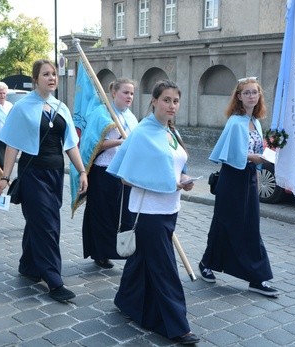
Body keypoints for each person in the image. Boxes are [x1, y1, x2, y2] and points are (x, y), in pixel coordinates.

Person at [107, 80, 200, 345]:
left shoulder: (171, 132)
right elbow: (124, 176)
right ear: (154, 101)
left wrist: (184, 177)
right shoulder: (142, 133)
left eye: (176, 101)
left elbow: (175, 167)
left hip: (170, 208)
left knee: (142, 262)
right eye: (166, 100)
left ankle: (126, 300)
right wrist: (166, 183)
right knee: (165, 268)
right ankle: (177, 325)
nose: (172, 105)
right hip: (148, 212)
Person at [0, 59, 88, 303]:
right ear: (35, 79)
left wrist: (82, 171)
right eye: (46, 74)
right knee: (47, 225)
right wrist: (5, 176)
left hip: (55, 174)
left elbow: (71, 144)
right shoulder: (23, 107)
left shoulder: (61, 107)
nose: (52, 78)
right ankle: (54, 281)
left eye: (54, 74)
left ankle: (28, 266)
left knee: (40, 222)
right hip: (32, 173)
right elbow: (13, 144)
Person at [198, 77, 279, 298]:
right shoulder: (235, 122)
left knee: (250, 226)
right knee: (224, 223)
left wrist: (266, 155)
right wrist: (254, 157)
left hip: (249, 178)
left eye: (255, 92)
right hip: (232, 179)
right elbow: (232, 155)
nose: (252, 96)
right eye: (247, 93)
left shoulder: (257, 121)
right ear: (239, 97)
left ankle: (256, 277)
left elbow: (253, 150)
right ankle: (207, 263)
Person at [82, 78, 139, 269]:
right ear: (113, 93)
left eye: (132, 93)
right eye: (125, 92)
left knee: (123, 214)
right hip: (103, 171)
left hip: (125, 172)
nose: (129, 96)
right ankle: (101, 253)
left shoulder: (131, 117)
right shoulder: (102, 114)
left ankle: (122, 249)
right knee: (102, 214)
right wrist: (120, 142)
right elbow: (91, 145)